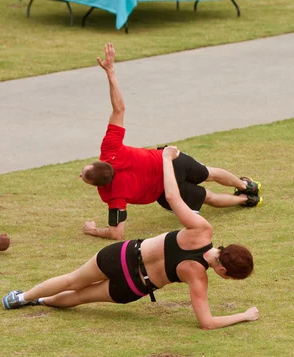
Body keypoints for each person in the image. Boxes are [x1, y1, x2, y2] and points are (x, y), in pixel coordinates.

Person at [3, 146, 259, 330]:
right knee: (80, 297)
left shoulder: (202, 230)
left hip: (121, 255)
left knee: (72, 279)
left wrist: (166, 159)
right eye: (228, 277)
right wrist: (244, 315)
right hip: (133, 286)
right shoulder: (198, 277)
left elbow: (172, 197)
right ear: (223, 269)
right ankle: (40, 300)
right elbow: (207, 323)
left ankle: (22, 297)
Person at [80, 42, 262, 241]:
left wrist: (93, 230)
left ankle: (246, 200)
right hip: (171, 159)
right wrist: (110, 72)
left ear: (98, 185)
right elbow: (119, 109)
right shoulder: (110, 148)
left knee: (208, 197)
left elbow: (117, 233)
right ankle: (247, 186)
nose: (80, 173)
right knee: (209, 173)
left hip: (166, 188)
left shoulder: (112, 195)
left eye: (84, 175)